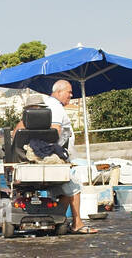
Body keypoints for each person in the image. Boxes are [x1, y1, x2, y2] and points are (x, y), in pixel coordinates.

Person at [13, 82, 97, 233]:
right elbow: (55, 132)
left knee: (64, 191)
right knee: (74, 187)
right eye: (69, 92)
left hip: (36, 160)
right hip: (50, 160)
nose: (71, 95)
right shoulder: (55, 107)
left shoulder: (27, 118)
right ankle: (76, 223)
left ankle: (56, 218)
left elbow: (15, 133)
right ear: (59, 92)